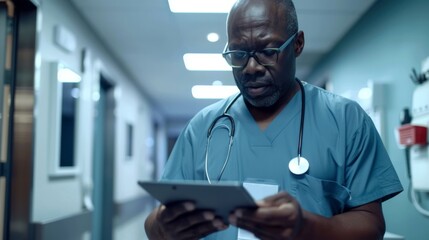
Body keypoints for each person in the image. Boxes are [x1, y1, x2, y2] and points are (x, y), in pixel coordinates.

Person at [144, 0, 403, 239]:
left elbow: (371, 225)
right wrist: (159, 227)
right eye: (238, 54)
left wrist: (308, 227)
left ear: (298, 44)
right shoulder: (203, 127)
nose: (251, 67)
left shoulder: (346, 120)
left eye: (268, 51)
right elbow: (159, 221)